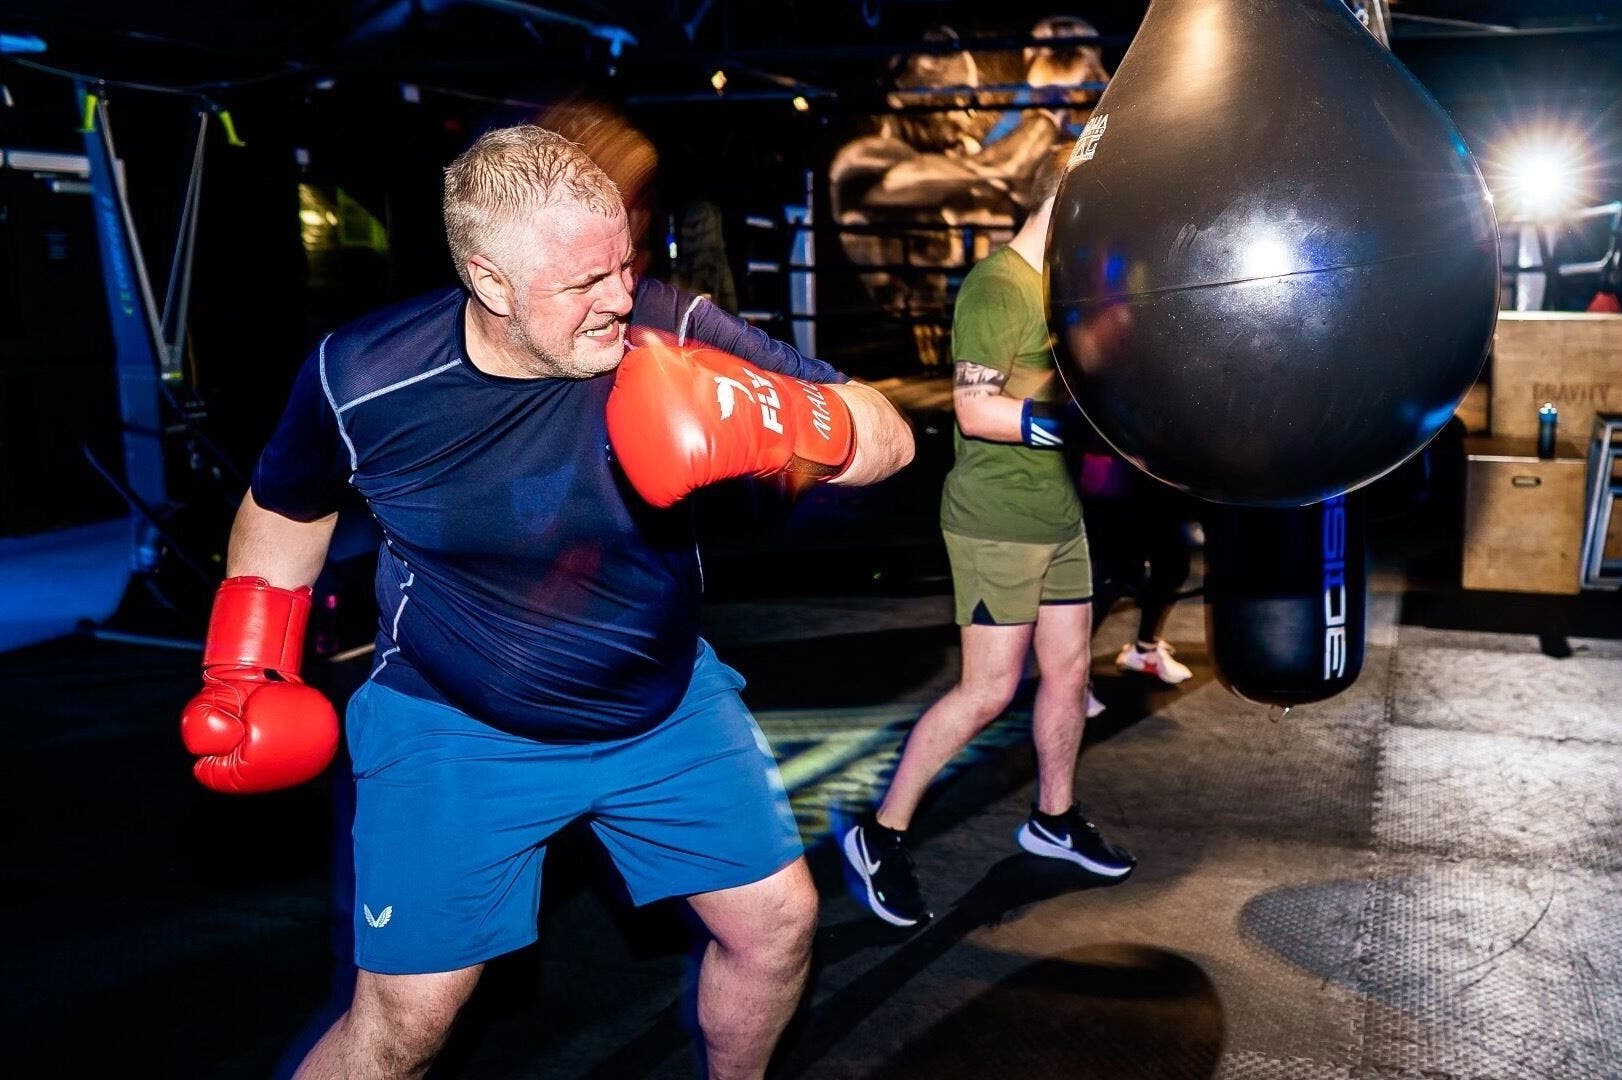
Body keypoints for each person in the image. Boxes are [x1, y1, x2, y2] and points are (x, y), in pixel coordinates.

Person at [177, 124, 914, 1080]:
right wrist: (245, 666)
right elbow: (282, 513)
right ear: (489, 282)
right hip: (458, 717)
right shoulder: (364, 379)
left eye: (623, 264)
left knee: (778, 926)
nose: (618, 299)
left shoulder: (668, 325)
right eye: (582, 284)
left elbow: (889, 437)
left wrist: (779, 418)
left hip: (663, 702)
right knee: (404, 1024)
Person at [838, 144, 1133, 929]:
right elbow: (975, 411)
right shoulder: (998, 287)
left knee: (1069, 675)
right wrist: (1071, 423)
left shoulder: (1065, 293)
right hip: (996, 520)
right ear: (1059, 201)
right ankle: (881, 831)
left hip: (1056, 515)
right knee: (988, 692)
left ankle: (1054, 819)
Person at [1079, 446, 1198, 686]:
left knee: (1174, 567)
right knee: (1114, 575)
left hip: (1162, 475)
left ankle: (1144, 650)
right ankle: (1073, 675)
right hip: (1121, 475)